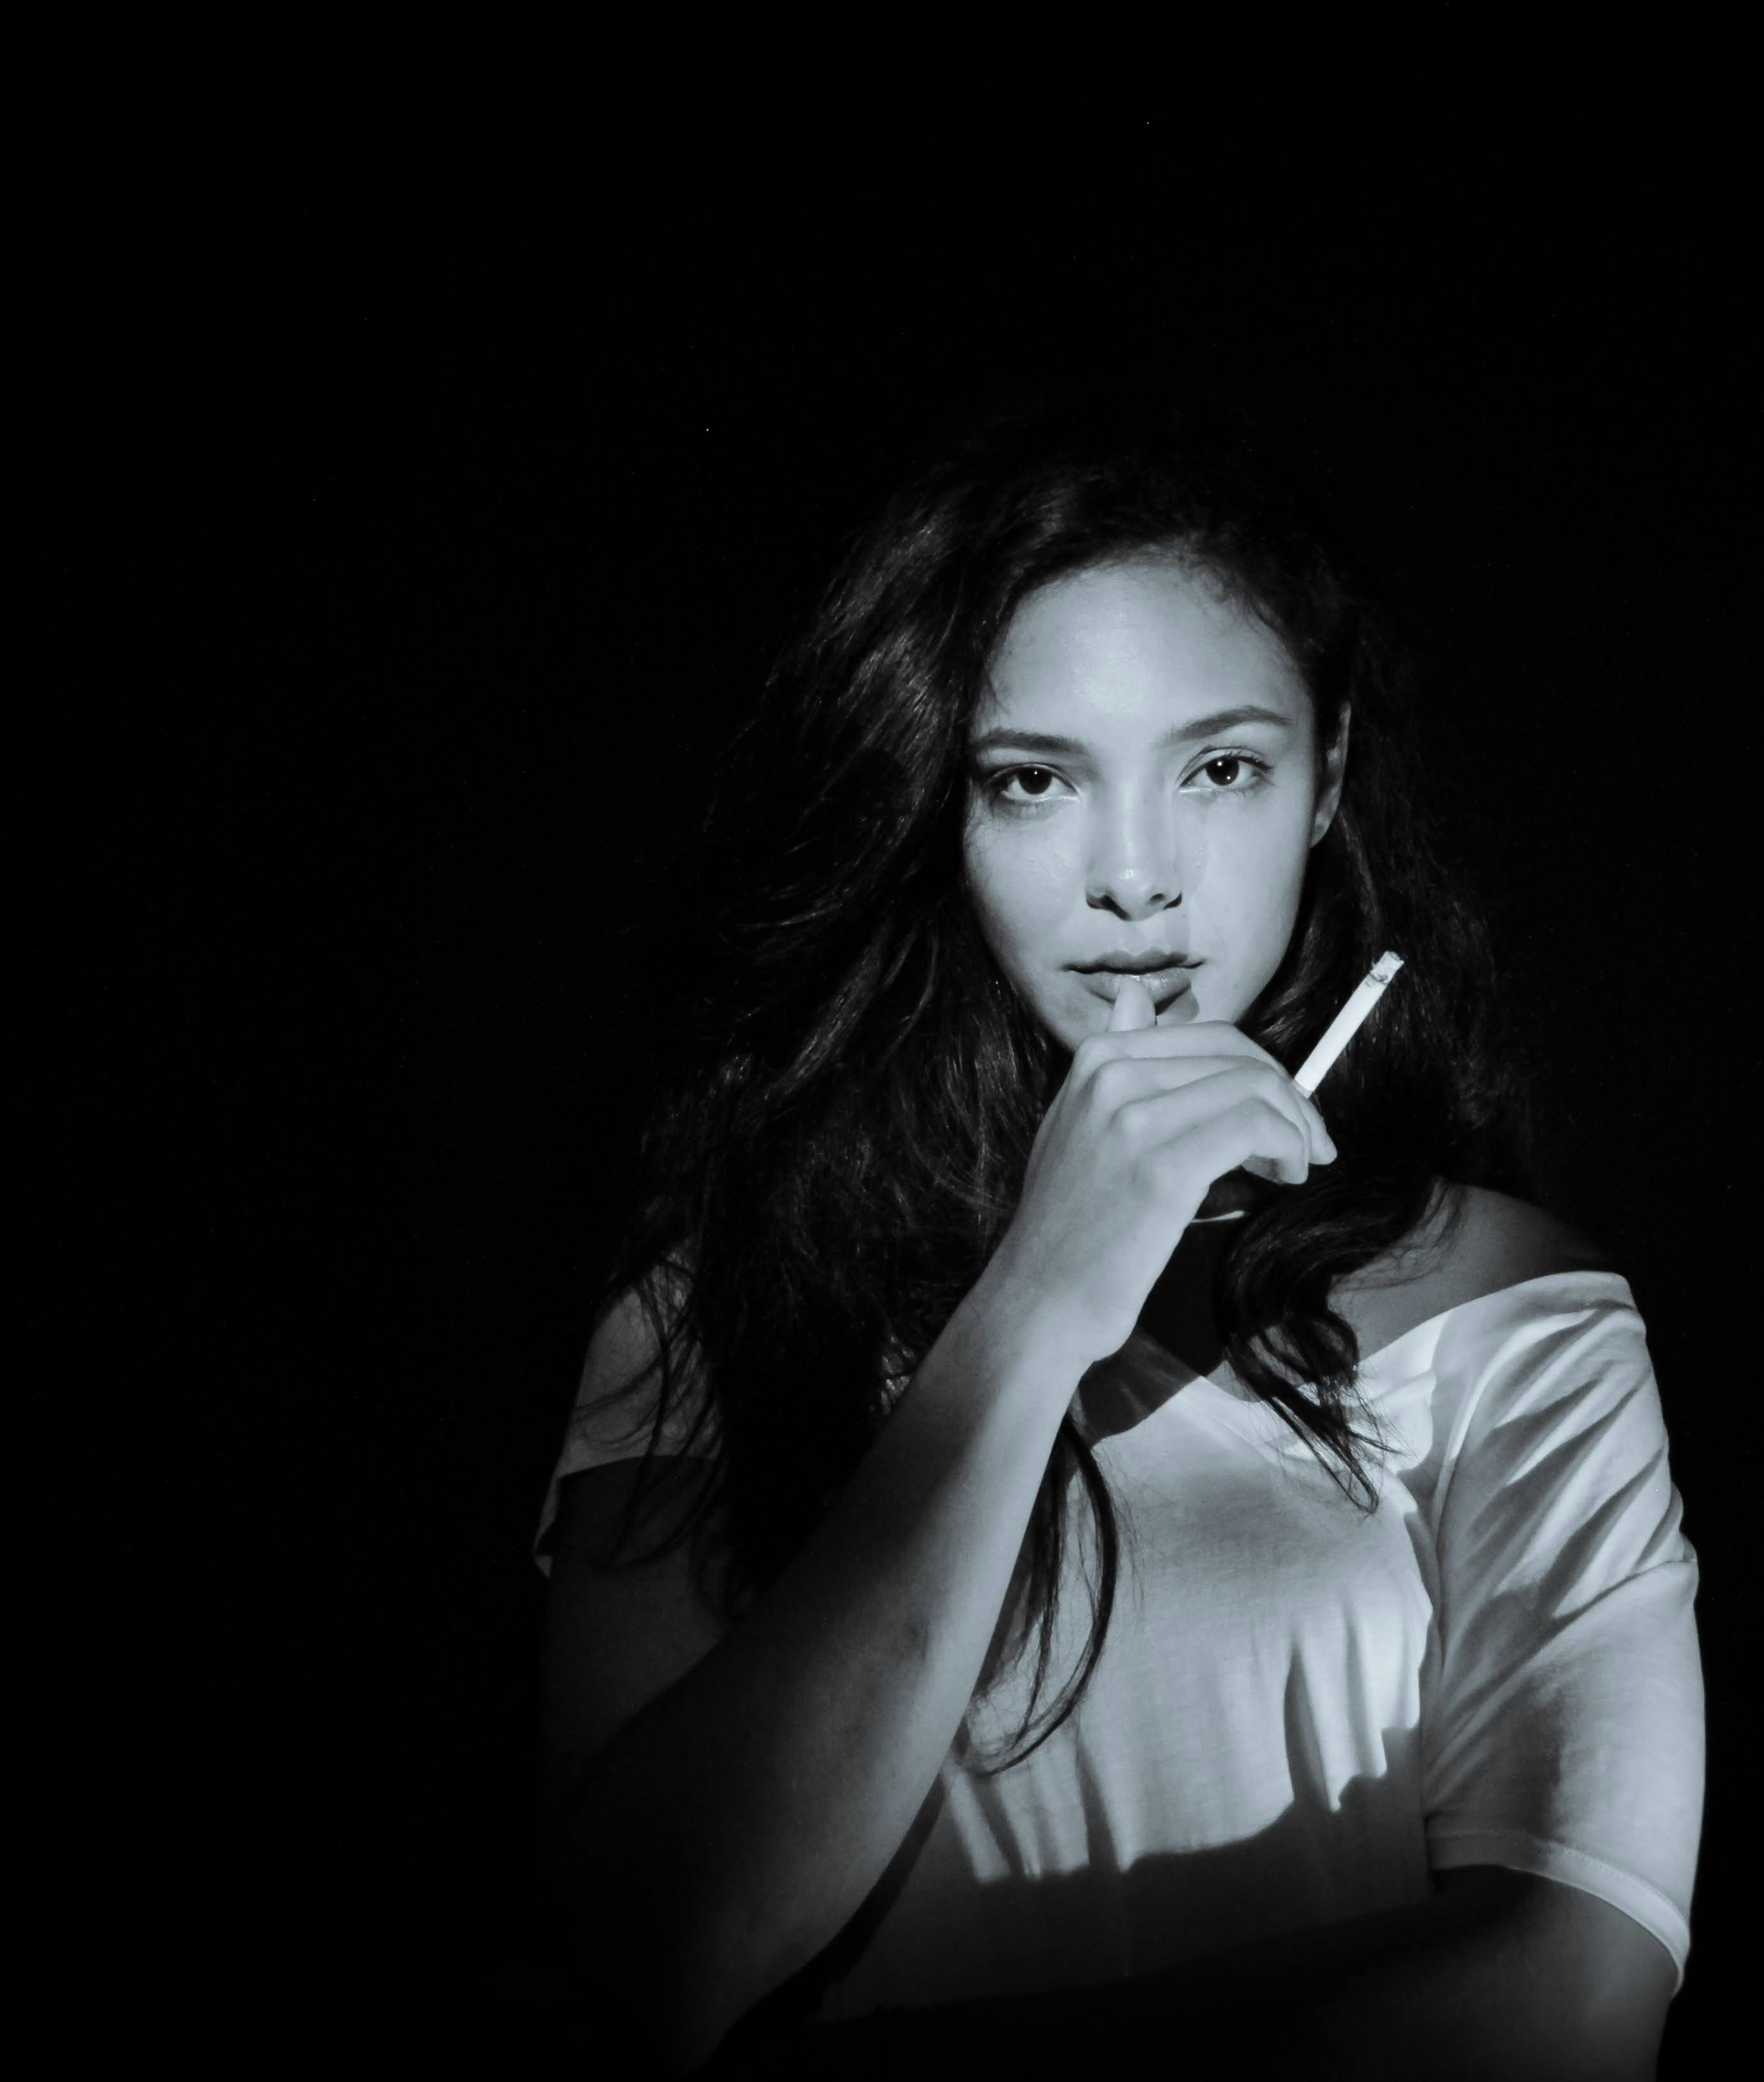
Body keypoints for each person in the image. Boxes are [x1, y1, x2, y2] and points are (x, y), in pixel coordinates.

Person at [530, 394, 1703, 2078]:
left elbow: (1568, 2005)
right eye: (1032, 779)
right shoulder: (703, 1316)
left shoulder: (1510, 1300)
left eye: (1219, 766)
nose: (1136, 879)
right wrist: (1028, 1313)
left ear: (1328, 781)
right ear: (939, 802)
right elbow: (647, 1960)